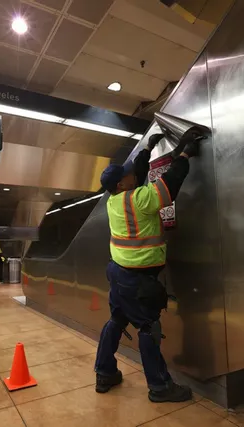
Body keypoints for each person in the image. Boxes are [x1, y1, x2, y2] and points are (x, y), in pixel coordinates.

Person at [94, 127, 208, 403]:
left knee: (117, 319)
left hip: (118, 273)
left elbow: (137, 174)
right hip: (137, 278)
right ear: (122, 184)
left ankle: (105, 372)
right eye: (127, 175)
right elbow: (170, 184)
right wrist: (184, 153)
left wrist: (146, 150)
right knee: (148, 328)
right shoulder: (139, 199)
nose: (132, 174)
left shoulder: (114, 199)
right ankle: (160, 386)